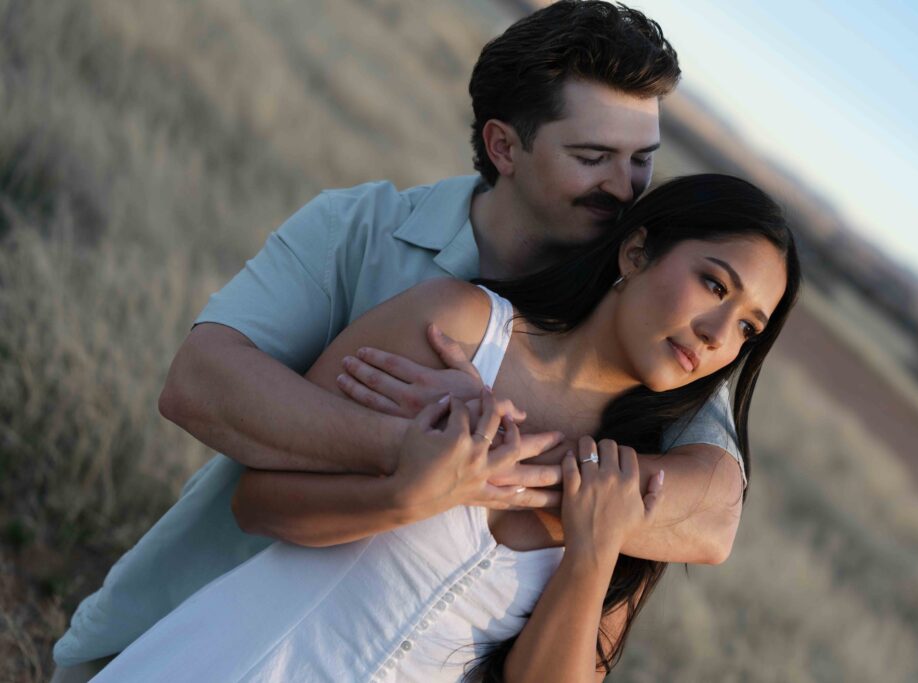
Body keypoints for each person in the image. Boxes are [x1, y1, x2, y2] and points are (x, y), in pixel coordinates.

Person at [52, 2, 746, 679]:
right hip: (176, 628)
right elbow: (198, 385)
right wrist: (409, 447)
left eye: (641, 162)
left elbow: (712, 521)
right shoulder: (359, 227)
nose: (625, 191)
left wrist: (504, 439)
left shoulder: (646, 330)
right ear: (505, 146)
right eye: (594, 156)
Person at [92, 174, 801, 681]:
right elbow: (259, 503)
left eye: (746, 327)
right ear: (636, 251)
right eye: (714, 283)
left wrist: (593, 547)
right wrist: (405, 493)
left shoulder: (638, 487)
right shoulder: (460, 330)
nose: (716, 334)